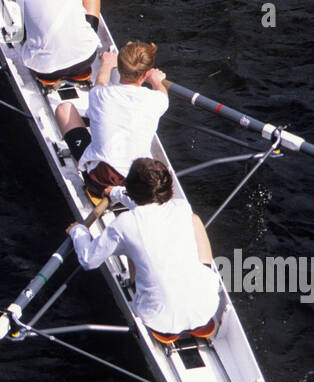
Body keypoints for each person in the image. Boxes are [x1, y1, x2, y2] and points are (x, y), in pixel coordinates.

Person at [68, 157, 220, 338]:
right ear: (167, 188)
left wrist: (78, 231)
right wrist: (116, 194)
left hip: (158, 319)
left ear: (130, 187)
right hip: (207, 307)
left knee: (132, 244)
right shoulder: (181, 207)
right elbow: (149, 205)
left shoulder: (124, 223)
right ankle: (199, 284)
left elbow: (88, 260)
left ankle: (133, 285)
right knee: (194, 220)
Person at [56, 41, 169, 201]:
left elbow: (100, 82)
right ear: (145, 75)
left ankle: (89, 171)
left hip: (99, 182)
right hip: (139, 184)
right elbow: (162, 93)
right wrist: (156, 80)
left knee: (64, 109)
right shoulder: (157, 100)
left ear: (120, 67)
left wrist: (107, 64)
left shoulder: (100, 95)